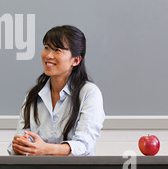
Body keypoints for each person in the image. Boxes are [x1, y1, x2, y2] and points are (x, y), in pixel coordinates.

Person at [8, 25, 105, 156]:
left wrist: (45, 149)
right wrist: (21, 144)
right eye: (46, 48)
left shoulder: (89, 93)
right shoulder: (33, 95)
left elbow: (84, 145)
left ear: (76, 60)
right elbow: (18, 144)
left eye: (57, 50)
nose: (48, 55)